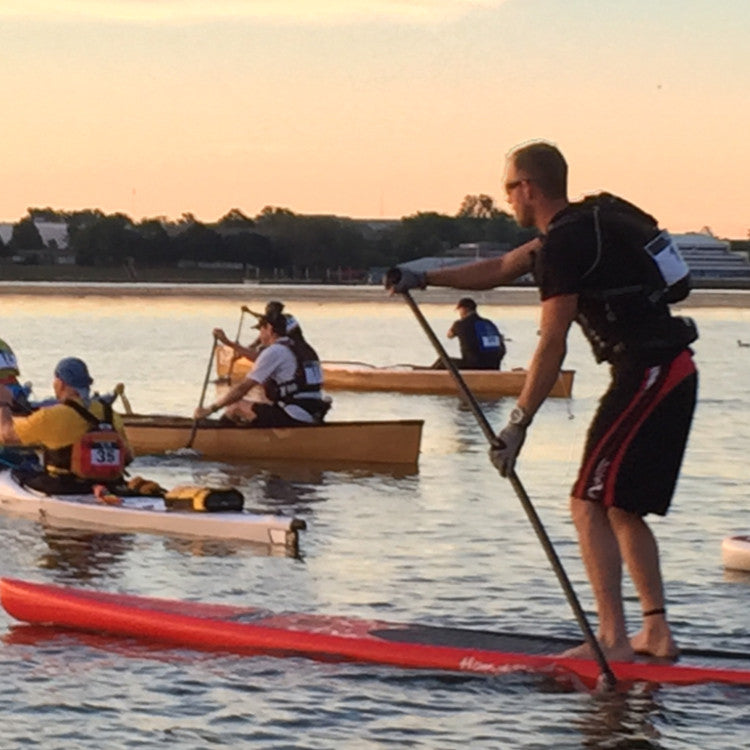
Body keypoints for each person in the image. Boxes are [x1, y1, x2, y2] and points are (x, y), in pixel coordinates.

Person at [386, 140, 698, 663]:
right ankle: (655, 634)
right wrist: (425, 277)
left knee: (585, 502)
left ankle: (616, 641)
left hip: (650, 373)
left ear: (528, 187)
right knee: (618, 504)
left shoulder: (564, 245)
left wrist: (517, 425)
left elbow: (553, 342)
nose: (507, 199)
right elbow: (504, 267)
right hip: (663, 370)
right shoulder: (577, 229)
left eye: (508, 188)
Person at [0, 357, 134, 494]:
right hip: (111, 486)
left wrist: (3, 403)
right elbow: (128, 457)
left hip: (65, 489)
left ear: (61, 384)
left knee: (13, 474)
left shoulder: (51, 416)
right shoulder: (111, 415)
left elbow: (6, 435)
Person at [195, 313, 330, 427]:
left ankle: (220, 440)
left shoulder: (274, 351)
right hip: (314, 411)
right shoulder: (304, 349)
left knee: (236, 406)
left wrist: (210, 409)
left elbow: (242, 389)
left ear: (270, 329)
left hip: (295, 415)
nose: (259, 336)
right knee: (260, 405)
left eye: (261, 330)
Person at [432, 297, 505, 370]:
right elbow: (501, 348)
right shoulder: (488, 323)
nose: (459, 313)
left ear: (464, 309)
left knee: (442, 361)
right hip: (494, 366)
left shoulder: (460, 324)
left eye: (459, 310)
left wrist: (457, 327)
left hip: (472, 366)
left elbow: (449, 335)